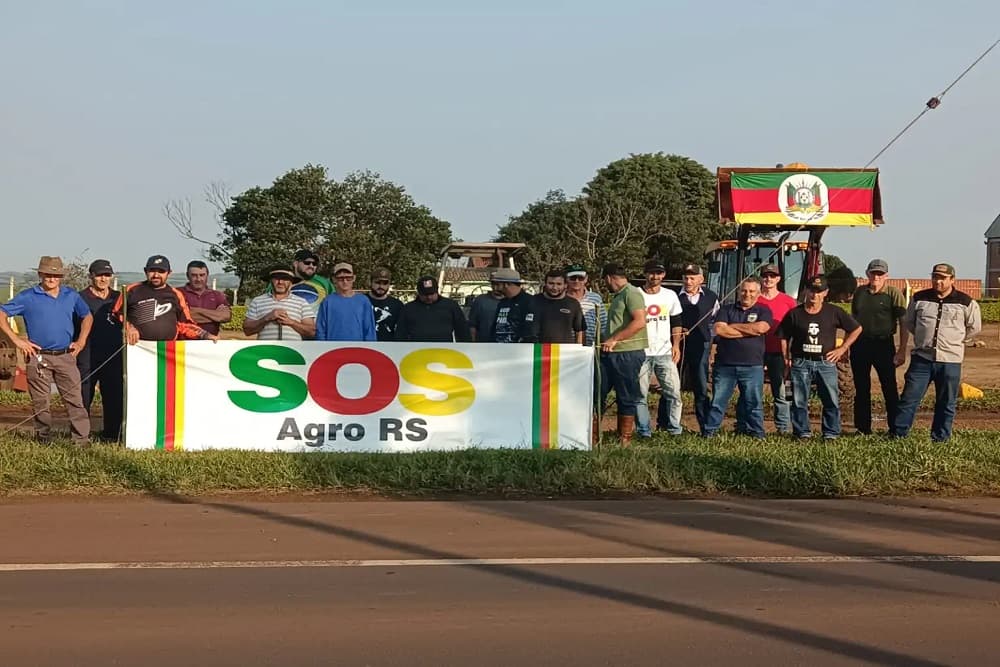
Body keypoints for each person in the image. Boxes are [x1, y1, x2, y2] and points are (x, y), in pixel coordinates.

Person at [0, 256, 92, 445]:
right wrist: (17, 341)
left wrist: (81, 341)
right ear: (40, 274)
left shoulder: (71, 295)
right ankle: (43, 439)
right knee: (41, 401)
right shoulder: (27, 297)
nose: (51, 278)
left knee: (75, 400)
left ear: (61, 277)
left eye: (56, 275)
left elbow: (87, 316)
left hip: (66, 355)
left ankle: (81, 441)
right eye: (48, 274)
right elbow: (1, 314)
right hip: (38, 357)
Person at [893, 262, 982, 442]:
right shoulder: (919, 298)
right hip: (922, 359)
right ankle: (898, 435)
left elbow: (974, 328)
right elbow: (910, 323)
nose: (938, 281)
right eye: (935, 277)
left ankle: (940, 438)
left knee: (946, 402)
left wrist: (955, 341)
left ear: (952, 279)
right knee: (909, 398)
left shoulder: (966, 302)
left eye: (942, 278)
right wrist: (923, 337)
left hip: (950, 361)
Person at [780, 275, 862, 439]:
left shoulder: (834, 312)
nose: (814, 295)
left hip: (826, 363)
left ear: (825, 293)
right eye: (812, 291)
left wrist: (842, 348)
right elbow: (783, 336)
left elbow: (856, 328)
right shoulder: (795, 313)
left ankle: (830, 433)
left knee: (831, 400)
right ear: (806, 291)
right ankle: (802, 432)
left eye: (819, 292)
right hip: (801, 363)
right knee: (798, 400)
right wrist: (786, 358)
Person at [702, 277, 772, 438]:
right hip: (725, 365)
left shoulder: (763, 310)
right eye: (744, 290)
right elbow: (719, 330)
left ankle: (757, 434)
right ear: (739, 291)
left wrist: (733, 327)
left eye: (752, 291)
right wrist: (749, 330)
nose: (747, 294)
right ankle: (709, 432)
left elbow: (761, 328)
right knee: (718, 402)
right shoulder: (726, 309)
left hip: (752, 365)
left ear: (758, 293)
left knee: (753, 403)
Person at [850, 258, 907, 434]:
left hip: (883, 344)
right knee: (861, 387)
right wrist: (846, 345)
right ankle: (862, 428)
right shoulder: (860, 292)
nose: (876, 277)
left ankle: (895, 428)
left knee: (889, 386)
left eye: (880, 274)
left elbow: (904, 323)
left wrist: (902, 350)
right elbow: (853, 320)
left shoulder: (893, 293)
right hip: (860, 344)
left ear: (886, 276)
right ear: (867, 274)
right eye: (873, 273)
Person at [113, 255, 218, 344]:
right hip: (137, 348)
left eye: (161, 271)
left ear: (169, 273)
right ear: (145, 271)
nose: (156, 275)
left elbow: (185, 324)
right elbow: (116, 314)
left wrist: (205, 335)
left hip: (167, 351)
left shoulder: (176, 294)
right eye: (152, 271)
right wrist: (129, 328)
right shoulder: (131, 290)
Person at [75, 259, 124, 441]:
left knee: (114, 396)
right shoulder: (79, 298)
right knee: (83, 396)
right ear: (91, 276)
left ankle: (112, 435)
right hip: (87, 354)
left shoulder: (119, 297)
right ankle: (81, 435)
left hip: (114, 355)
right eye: (99, 275)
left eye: (107, 275)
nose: (103, 279)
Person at [600, 263, 648, 444]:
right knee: (599, 392)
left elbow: (639, 321)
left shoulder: (631, 293)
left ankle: (624, 439)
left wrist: (614, 339)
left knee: (626, 396)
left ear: (608, 278)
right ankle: (593, 436)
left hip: (627, 353)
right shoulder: (619, 295)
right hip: (610, 353)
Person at [635, 259, 683, 437]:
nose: (655, 277)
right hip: (641, 352)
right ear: (645, 274)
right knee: (640, 395)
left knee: (674, 393)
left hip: (665, 352)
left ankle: (674, 430)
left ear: (663, 275)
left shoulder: (670, 295)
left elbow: (676, 322)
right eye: (651, 273)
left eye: (659, 273)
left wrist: (676, 345)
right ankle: (644, 431)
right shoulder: (636, 294)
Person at [675, 263, 719, 431]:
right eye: (686, 278)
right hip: (677, 346)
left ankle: (705, 426)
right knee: (672, 385)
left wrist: (712, 343)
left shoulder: (711, 297)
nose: (688, 281)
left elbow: (715, 321)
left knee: (700, 386)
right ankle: (667, 424)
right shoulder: (674, 295)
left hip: (701, 345)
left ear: (701, 279)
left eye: (692, 278)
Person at [757, 263, 797, 434]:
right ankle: (753, 425)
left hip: (780, 353)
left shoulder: (788, 301)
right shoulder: (755, 299)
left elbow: (796, 327)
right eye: (765, 276)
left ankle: (783, 427)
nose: (768, 279)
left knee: (782, 391)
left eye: (772, 276)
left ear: (778, 279)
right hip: (756, 352)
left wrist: (790, 354)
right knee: (753, 391)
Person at [243, 265, 317, 340]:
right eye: (276, 278)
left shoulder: (301, 302)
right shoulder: (257, 301)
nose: (280, 282)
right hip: (266, 347)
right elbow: (247, 330)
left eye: (285, 279)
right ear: (270, 280)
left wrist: (291, 322)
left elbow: (311, 332)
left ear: (291, 282)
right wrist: (267, 318)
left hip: (291, 348)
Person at [395, 276, 471, 342]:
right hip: (416, 351)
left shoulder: (451, 306)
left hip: (444, 350)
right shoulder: (408, 309)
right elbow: (400, 334)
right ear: (418, 293)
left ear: (437, 291)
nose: (429, 297)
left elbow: (462, 331)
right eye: (425, 294)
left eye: (432, 294)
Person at [314, 263, 376, 341]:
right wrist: (322, 346)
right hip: (333, 347)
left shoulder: (363, 301)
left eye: (348, 278)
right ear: (334, 279)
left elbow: (369, 331)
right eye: (341, 278)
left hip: (357, 347)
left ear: (354, 278)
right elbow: (321, 330)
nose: (345, 281)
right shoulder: (327, 301)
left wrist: (370, 346)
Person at [524, 269, 584, 344]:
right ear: (545, 283)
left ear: (565, 285)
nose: (554, 287)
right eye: (551, 283)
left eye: (559, 284)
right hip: (537, 349)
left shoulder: (573, 304)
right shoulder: (532, 301)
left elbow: (579, 331)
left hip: (564, 350)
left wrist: (579, 349)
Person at [180, 260, 231, 337]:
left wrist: (193, 312)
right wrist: (215, 315)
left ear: (207, 275)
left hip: (211, 341)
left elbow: (226, 316)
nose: (198, 279)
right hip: (183, 342)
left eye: (202, 275)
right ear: (187, 275)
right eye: (194, 275)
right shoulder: (177, 293)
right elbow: (179, 316)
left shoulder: (217, 295)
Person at [565, 264, 607, 348]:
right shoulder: (560, 299)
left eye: (580, 278)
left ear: (586, 279)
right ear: (567, 279)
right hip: (565, 347)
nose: (577, 281)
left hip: (590, 348)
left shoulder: (595, 298)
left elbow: (603, 325)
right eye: (573, 278)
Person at [490, 268, 534, 343]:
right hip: (498, 348)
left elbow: (530, 330)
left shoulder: (530, 302)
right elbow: (494, 327)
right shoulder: (502, 302)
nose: (495, 287)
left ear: (506, 284)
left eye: (497, 284)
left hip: (519, 348)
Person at [367, 267, 403, 342]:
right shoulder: (361, 302)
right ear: (370, 282)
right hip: (365, 345)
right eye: (377, 283)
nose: (381, 286)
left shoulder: (397, 305)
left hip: (389, 347)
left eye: (385, 283)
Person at [468, 274, 504, 342]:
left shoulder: (513, 302)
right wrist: (472, 343)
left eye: (498, 285)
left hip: (507, 344)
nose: (495, 288)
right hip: (483, 343)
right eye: (493, 284)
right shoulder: (481, 300)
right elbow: (472, 325)